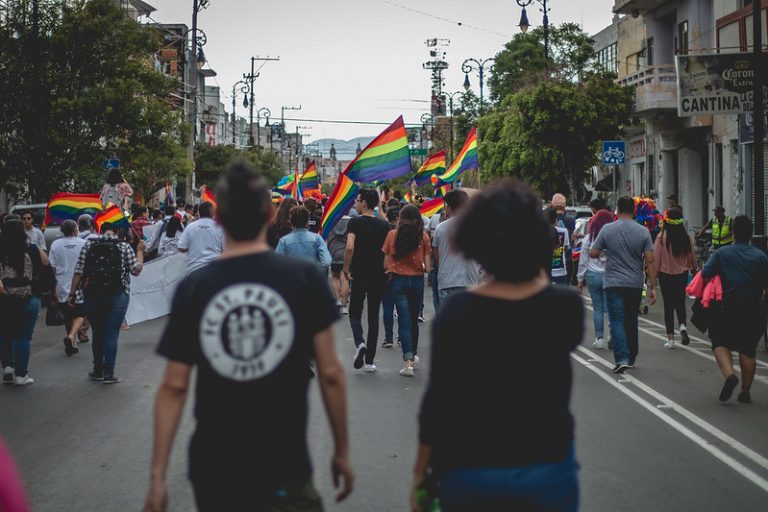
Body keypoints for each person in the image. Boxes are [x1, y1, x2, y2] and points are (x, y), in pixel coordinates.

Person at [144, 161, 353, 512]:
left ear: (219, 218)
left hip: (216, 466)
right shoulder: (304, 278)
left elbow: (174, 387)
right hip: (285, 462)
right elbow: (330, 373)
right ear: (270, 215)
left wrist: (157, 477)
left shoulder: (195, 288)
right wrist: (342, 451)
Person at [412, 180, 582, 511]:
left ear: (475, 242)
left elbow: (438, 403)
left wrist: (420, 474)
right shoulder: (565, 307)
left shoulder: (456, 312)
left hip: (471, 467)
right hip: (547, 466)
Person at [702, 215, 768, 404]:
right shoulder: (761, 256)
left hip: (726, 306)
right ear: (750, 234)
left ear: (733, 232)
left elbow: (706, 274)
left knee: (719, 342)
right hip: (754, 307)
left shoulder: (722, 253)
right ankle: (745, 391)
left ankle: (730, 375)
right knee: (748, 349)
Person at [68, 222, 145, 384]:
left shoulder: (88, 245)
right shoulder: (123, 246)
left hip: (92, 295)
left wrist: (72, 294)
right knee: (111, 333)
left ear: (100, 231)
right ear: (116, 232)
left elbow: (78, 271)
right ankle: (109, 374)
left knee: (98, 333)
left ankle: (98, 370)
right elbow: (136, 270)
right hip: (118, 295)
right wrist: (140, 251)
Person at [590, 196, 657, 374]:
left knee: (617, 320)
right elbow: (650, 260)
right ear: (634, 210)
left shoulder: (607, 229)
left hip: (613, 282)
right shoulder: (643, 231)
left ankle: (622, 358)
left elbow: (594, 252)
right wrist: (653, 287)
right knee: (631, 320)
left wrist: (605, 252)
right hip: (635, 283)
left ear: (617, 210)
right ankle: (632, 357)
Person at [343, 189, 390, 372]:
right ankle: (370, 362)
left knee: (355, 313)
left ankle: (360, 343)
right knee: (373, 317)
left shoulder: (354, 222)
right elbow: (387, 251)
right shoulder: (384, 225)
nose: (355, 204)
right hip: (378, 274)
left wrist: (346, 268)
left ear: (363, 203)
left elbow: (350, 246)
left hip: (359, 273)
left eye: (357, 200)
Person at [382, 204, 431, 377]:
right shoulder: (423, 237)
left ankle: (407, 362)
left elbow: (385, 263)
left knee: (403, 320)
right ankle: (414, 353)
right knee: (413, 319)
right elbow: (428, 268)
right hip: (416, 281)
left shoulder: (392, 235)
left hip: (398, 280)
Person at [0, 219, 49, 386]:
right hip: (28, 297)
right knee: (23, 337)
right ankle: (21, 375)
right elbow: (46, 263)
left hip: (4, 299)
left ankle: (8, 366)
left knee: (5, 333)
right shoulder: (31, 248)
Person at [653, 208, 697, 349]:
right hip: (682, 275)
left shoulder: (661, 237)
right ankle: (682, 326)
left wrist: (653, 279)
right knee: (680, 302)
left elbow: (656, 260)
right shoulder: (686, 238)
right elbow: (692, 257)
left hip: (665, 275)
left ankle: (671, 338)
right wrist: (695, 269)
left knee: (668, 305)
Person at [432, 190, 478, 310]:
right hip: (470, 281)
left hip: (447, 281)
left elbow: (436, 254)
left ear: (449, 207)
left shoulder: (440, 228)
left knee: (448, 319)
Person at [49, 220, 87, 356]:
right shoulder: (83, 243)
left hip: (61, 283)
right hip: (79, 284)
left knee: (67, 315)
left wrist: (52, 287)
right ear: (75, 230)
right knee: (80, 314)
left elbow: (52, 268)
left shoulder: (56, 244)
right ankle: (71, 337)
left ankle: (72, 340)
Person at [577, 209, 614, 350]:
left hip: (592, 275)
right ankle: (612, 335)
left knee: (597, 308)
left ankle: (599, 338)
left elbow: (583, 260)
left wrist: (580, 279)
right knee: (610, 308)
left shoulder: (588, 238)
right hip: (609, 275)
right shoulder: (612, 238)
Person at [276, 205, 332, 273]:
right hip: (311, 276)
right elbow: (327, 261)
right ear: (307, 221)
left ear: (291, 221)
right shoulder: (317, 238)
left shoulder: (284, 241)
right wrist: (315, 271)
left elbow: (277, 263)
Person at [177, 201, 223, 273]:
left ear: (199, 212)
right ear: (213, 213)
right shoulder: (220, 227)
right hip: (214, 269)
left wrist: (192, 247)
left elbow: (181, 247)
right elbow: (226, 249)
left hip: (194, 270)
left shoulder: (190, 227)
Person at [381, 206, 400, 349]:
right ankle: (402, 337)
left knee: (387, 306)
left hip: (387, 271)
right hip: (403, 272)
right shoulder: (405, 233)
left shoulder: (384, 232)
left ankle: (388, 338)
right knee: (402, 307)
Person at [327, 213, 351, 315]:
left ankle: (337, 300)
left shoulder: (331, 221)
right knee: (345, 279)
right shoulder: (351, 221)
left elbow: (327, 237)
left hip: (334, 252)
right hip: (346, 253)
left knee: (335, 277)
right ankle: (344, 306)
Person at [547, 207, 571, 285]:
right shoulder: (564, 231)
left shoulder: (540, 231)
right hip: (560, 270)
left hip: (545, 271)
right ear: (555, 219)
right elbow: (566, 248)